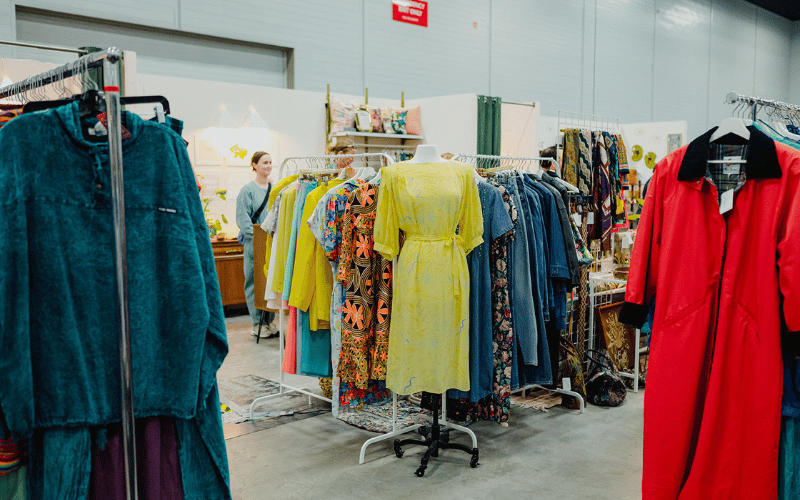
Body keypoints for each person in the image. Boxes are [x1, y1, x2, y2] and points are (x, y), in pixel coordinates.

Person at [236, 151, 277, 337]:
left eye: (270, 162)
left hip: (271, 242)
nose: (268, 166)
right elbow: (242, 219)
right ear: (254, 165)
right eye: (264, 163)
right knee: (254, 282)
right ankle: (256, 323)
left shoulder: (275, 188)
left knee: (270, 281)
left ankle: (269, 321)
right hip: (254, 243)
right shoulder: (247, 190)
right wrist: (256, 237)